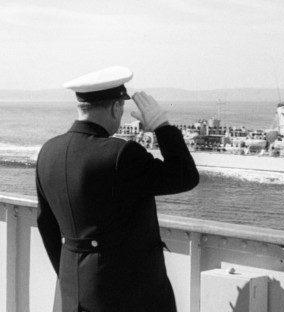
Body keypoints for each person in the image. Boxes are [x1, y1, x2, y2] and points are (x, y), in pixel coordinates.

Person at [36, 66, 199, 312]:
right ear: (115, 107)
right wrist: (162, 127)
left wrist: (70, 274)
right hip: (128, 296)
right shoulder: (120, 153)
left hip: (73, 291)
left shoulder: (49, 152)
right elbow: (185, 176)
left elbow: (46, 224)